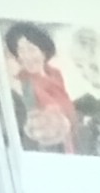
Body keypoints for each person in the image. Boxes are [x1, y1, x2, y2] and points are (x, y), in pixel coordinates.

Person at [5, 22, 80, 153]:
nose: (27, 56)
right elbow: (37, 126)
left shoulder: (55, 74)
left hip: (72, 139)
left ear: (44, 52)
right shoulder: (24, 84)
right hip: (56, 144)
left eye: (31, 49)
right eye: (21, 50)